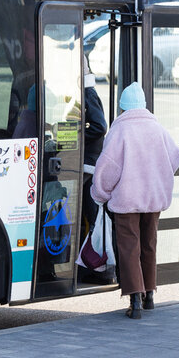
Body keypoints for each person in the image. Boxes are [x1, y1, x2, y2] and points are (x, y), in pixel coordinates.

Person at [91, 82, 179, 319]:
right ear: (143, 105)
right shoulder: (158, 129)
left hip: (127, 200)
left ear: (122, 107)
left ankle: (135, 299)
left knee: (129, 247)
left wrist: (100, 194)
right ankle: (150, 294)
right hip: (153, 199)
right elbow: (175, 157)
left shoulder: (119, 131)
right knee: (149, 244)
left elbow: (108, 169)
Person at [79, 56, 109, 284]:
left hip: (88, 163)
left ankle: (96, 265)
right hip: (86, 163)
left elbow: (99, 126)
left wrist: (74, 136)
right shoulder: (84, 90)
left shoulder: (88, 91)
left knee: (92, 218)